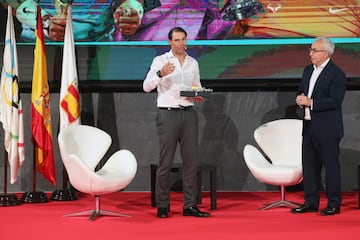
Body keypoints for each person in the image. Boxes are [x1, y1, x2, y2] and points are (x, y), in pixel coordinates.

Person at [143, 26, 210, 218]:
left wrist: (199, 94)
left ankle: (190, 205)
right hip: (168, 114)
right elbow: (146, 87)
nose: (182, 44)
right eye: (177, 40)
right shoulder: (160, 61)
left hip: (189, 114)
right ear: (170, 42)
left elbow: (196, 85)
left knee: (191, 162)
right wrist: (160, 74)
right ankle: (163, 205)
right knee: (165, 163)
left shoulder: (193, 63)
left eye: (184, 40)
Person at [291, 37, 346, 216]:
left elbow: (335, 101)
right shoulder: (308, 70)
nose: (310, 54)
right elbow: (302, 90)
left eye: (314, 50)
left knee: (330, 166)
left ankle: (333, 203)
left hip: (328, 128)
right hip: (309, 126)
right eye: (310, 50)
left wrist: (311, 102)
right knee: (309, 166)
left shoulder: (336, 73)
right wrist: (300, 99)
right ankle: (311, 202)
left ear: (326, 53)